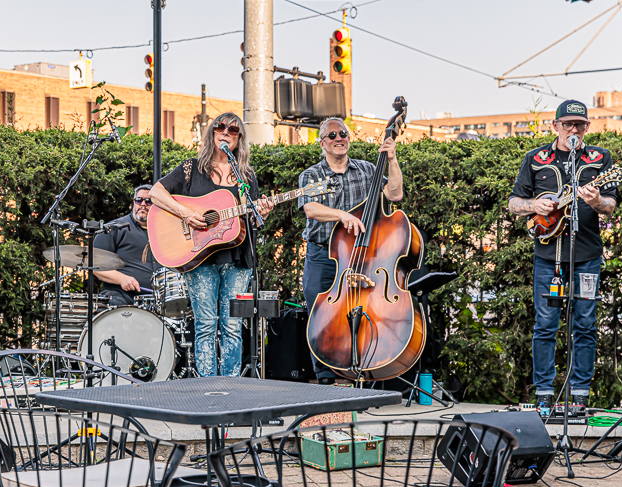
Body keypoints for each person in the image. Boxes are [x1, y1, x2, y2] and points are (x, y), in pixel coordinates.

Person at [508, 99, 616, 413]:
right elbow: (515, 202)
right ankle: (544, 395)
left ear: (587, 128)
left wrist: (596, 202)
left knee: (584, 323)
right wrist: (533, 206)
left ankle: (580, 396)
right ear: (555, 126)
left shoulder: (601, 158)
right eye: (567, 123)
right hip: (547, 256)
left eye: (579, 124)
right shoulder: (536, 158)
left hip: (586, 255)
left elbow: (610, 206)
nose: (573, 129)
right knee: (545, 325)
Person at [149, 112, 273, 377]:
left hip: (238, 257)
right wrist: (185, 213)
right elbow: (155, 193)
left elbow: (250, 218)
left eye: (233, 130)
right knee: (205, 324)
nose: (225, 132)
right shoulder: (190, 168)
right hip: (199, 256)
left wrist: (262, 210)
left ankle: (230, 388)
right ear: (211, 133)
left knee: (232, 324)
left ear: (239, 139)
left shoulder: (246, 175)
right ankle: (206, 390)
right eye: (220, 127)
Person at [298, 117, 404, 384]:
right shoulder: (312, 175)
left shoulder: (368, 169)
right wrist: (341, 215)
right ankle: (325, 375)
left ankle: (359, 370)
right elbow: (311, 209)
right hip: (323, 254)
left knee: (361, 308)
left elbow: (395, 194)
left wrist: (392, 160)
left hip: (362, 255)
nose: (338, 138)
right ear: (322, 143)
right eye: (332, 135)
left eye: (343, 133)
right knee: (320, 312)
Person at [94, 184, 162, 307]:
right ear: (133, 202)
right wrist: (121, 279)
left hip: (161, 299)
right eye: (139, 200)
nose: (142, 204)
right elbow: (94, 264)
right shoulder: (114, 228)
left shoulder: (166, 231)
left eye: (148, 201)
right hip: (122, 296)